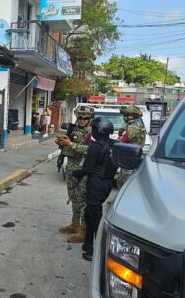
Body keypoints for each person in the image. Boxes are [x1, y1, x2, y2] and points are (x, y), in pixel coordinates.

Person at [72, 117, 118, 261]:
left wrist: (75, 173)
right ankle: (87, 244)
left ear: (98, 131)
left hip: (96, 184)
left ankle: (95, 250)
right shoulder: (114, 144)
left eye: (93, 129)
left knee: (94, 218)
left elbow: (88, 168)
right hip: (107, 184)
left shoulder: (95, 146)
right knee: (90, 214)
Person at [56, 106, 94, 243]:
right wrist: (61, 143)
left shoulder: (92, 132)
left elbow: (91, 150)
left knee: (82, 201)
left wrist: (70, 144)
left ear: (90, 119)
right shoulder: (74, 129)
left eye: (86, 118)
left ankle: (83, 232)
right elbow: (69, 144)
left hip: (82, 169)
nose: (82, 120)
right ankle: (75, 224)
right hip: (71, 167)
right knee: (73, 197)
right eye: (80, 118)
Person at [115, 105, 146, 188]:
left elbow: (121, 142)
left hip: (129, 162)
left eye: (127, 115)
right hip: (131, 159)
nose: (125, 117)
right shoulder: (136, 125)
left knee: (123, 184)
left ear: (133, 116)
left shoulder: (133, 127)